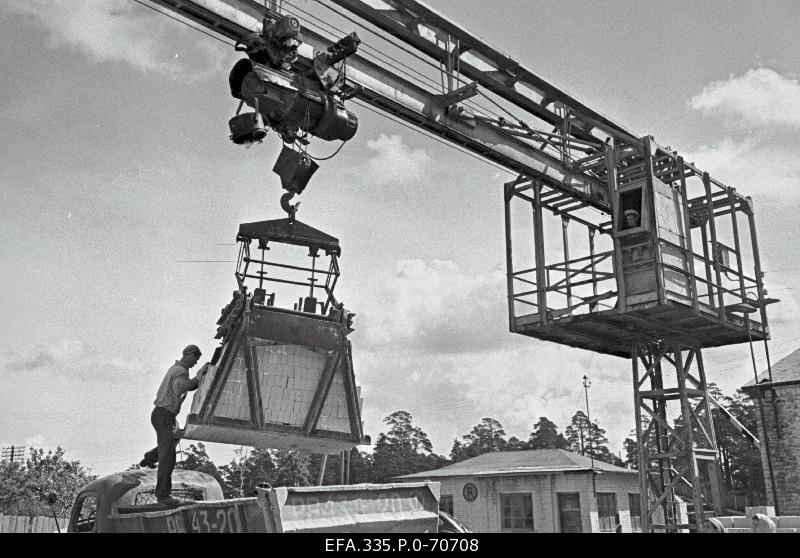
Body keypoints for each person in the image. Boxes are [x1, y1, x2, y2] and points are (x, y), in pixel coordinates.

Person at [139, 344, 209, 506]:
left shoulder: (177, 368)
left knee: (173, 439)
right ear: (189, 355)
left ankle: (150, 458)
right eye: (196, 359)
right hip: (164, 415)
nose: (196, 362)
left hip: (166, 415)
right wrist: (199, 378)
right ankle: (163, 495)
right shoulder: (180, 371)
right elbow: (181, 388)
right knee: (168, 456)